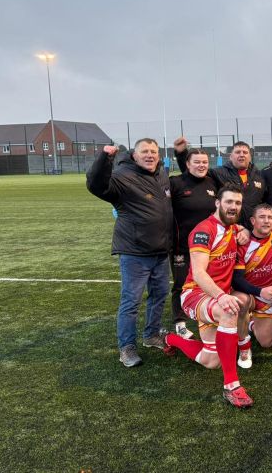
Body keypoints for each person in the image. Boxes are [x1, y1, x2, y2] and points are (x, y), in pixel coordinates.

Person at [163, 183, 256, 407]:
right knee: (229, 308)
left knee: (211, 361)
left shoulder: (234, 229)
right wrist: (221, 297)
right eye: (229, 202)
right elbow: (199, 273)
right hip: (195, 295)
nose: (233, 207)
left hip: (215, 297)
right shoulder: (204, 231)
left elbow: (239, 230)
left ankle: (171, 339)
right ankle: (232, 386)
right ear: (217, 203)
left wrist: (245, 230)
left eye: (238, 203)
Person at [86, 138, 173, 368]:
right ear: (134, 155)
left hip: (161, 252)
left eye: (154, 151)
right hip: (135, 253)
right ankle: (126, 347)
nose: (150, 155)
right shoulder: (123, 177)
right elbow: (96, 185)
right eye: (144, 151)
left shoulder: (162, 175)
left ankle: (151, 334)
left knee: (159, 296)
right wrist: (105, 158)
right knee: (131, 302)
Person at [168, 148, 219, 339]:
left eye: (204, 162)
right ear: (187, 164)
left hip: (209, 247)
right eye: (196, 162)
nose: (201, 165)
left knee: (209, 280)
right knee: (181, 283)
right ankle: (180, 323)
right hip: (182, 246)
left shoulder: (212, 182)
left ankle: (208, 314)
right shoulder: (176, 183)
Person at [231, 203, 272, 367]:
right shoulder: (243, 243)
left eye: (270, 217)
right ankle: (244, 347)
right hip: (248, 293)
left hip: (266, 298)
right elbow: (237, 280)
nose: (266, 221)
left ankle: (251, 321)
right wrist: (259, 291)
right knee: (242, 302)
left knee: (266, 343)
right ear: (253, 221)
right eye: (262, 217)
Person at [174, 138, 266, 230]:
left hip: (253, 231)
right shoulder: (218, 173)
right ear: (230, 156)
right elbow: (194, 172)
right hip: (228, 230)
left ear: (250, 156)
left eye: (245, 152)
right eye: (237, 152)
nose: (241, 155)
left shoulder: (260, 176)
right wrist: (181, 154)